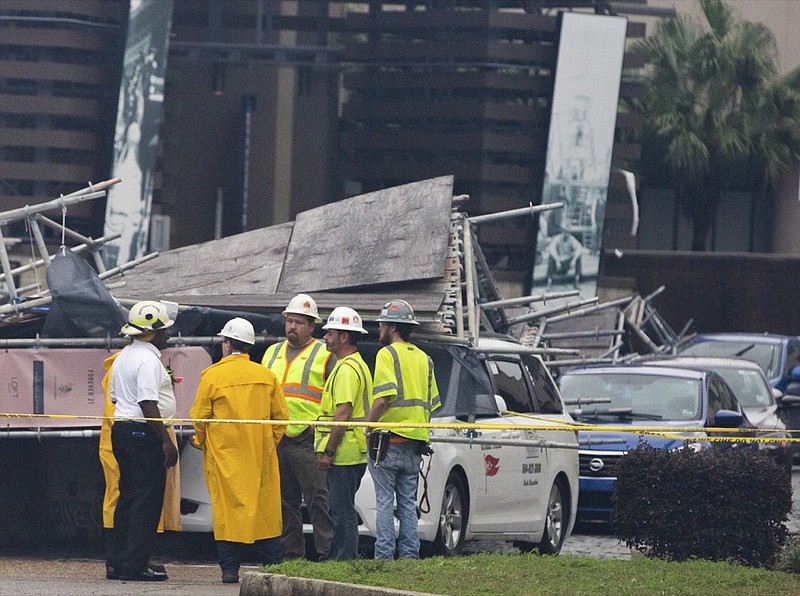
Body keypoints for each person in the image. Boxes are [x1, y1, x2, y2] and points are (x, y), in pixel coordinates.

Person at [190, 317, 288, 584]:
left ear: (227, 343)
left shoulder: (213, 376)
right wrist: (267, 442)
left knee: (226, 513)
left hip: (224, 457)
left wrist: (203, 442)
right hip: (260, 456)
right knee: (266, 512)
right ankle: (273, 566)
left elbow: (199, 418)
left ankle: (230, 570)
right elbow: (281, 419)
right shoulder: (266, 376)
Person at [107, 300, 179, 581]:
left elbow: (115, 397)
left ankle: (118, 562)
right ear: (152, 332)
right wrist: (165, 441)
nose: (168, 336)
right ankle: (136, 565)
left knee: (128, 496)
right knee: (146, 501)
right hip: (142, 431)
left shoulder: (124, 356)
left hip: (122, 429)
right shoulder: (149, 360)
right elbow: (147, 402)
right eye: (165, 331)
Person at [261, 293, 334, 560]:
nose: (292, 326)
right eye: (289, 321)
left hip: (307, 439)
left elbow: (334, 396)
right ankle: (292, 555)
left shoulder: (325, 354)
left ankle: (326, 554)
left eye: (299, 322)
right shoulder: (271, 352)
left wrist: (319, 429)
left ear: (312, 326)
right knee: (284, 501)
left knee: (318, 499)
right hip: (278, 438)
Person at [366, 299, 440, 560]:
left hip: (387, 442)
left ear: (393, 327)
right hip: (415, 444)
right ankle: (410, 556)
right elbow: (432, 404)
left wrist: (368, 426)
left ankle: (384, 557)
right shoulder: (424, 358)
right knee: (407, 503)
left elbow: (384, 397)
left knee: (385, 501)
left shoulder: (387, 354)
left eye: (382, 325)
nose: (379, 330)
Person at [314, 307, 372, 561]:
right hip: (351, 449)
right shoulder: (354, 365)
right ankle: (340, 557)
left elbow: (343, 413)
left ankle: (344, 560)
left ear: (344, 337)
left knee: (341, 510)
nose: (325, 337)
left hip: (344, 451)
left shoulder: (347, 369)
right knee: (340, 508)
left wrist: (328, 451)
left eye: (330, 333)